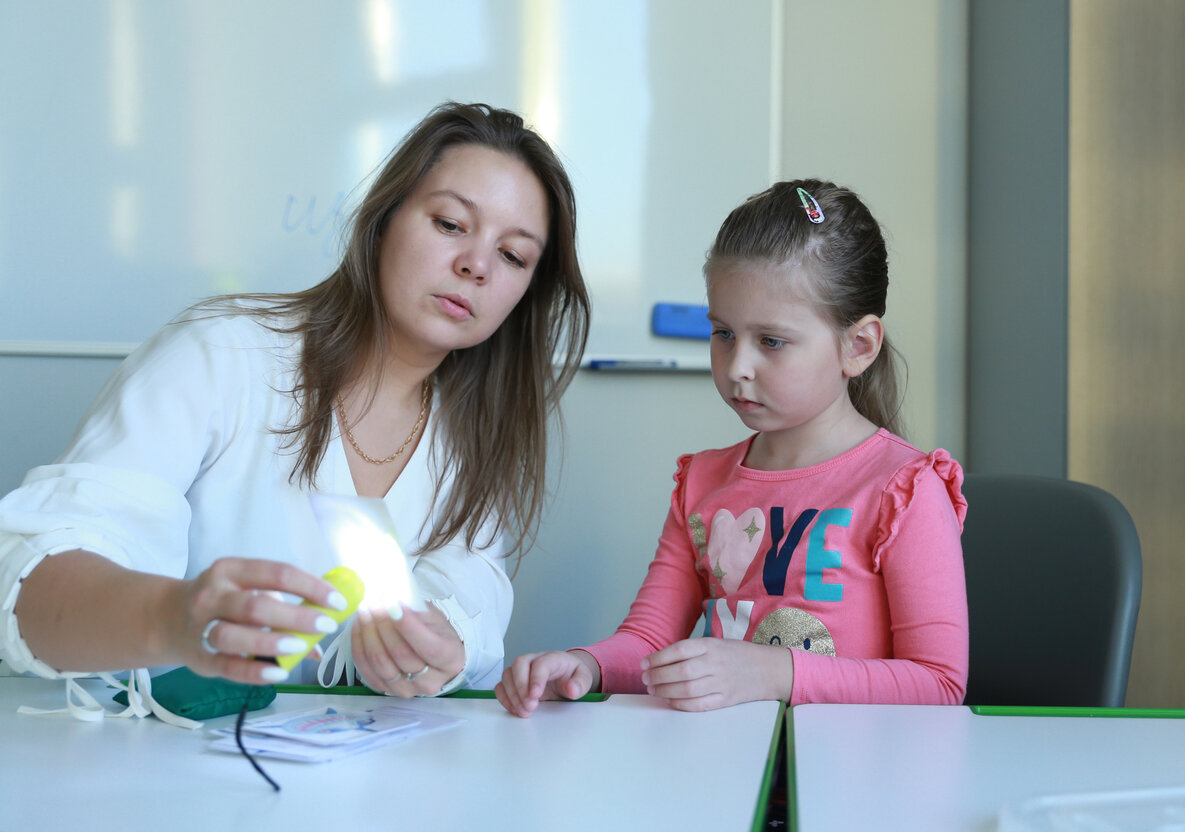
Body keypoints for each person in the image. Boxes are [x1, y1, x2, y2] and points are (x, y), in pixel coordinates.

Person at [0, 102, 590, 704]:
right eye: (449, 224)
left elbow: (472, 595)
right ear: (383, 220)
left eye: (513, 256)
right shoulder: (219, 353)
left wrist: (438, 647)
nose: (476, 265)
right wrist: (173, 619)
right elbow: (33, 579)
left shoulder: (471, 435)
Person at [496, 179, 967, 715]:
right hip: (728, 771)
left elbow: (939, 683)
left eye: (771, 341)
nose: (737, 366)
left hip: (856, 781)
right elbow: (650, 642)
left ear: (857, 347)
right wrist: (586, 665)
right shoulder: (702, 483)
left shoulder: (904, 489)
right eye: (723, 333)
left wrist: (772, 671)